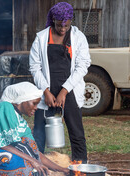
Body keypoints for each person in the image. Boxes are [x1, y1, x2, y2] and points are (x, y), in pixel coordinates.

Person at [29, 2, 91, 164]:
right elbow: (35, 67)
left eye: (66, 25)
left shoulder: (78, 38)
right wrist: (46, 91)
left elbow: (82, 66)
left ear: (71, 21)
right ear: (53, 20)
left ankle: (80, 170)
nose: (63, 29)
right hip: (46, 92)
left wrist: (64, 91)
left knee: (76, 133)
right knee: (39, 133)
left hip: (70, 90)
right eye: (59, 25)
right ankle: (37, 168)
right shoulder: (41, 38)